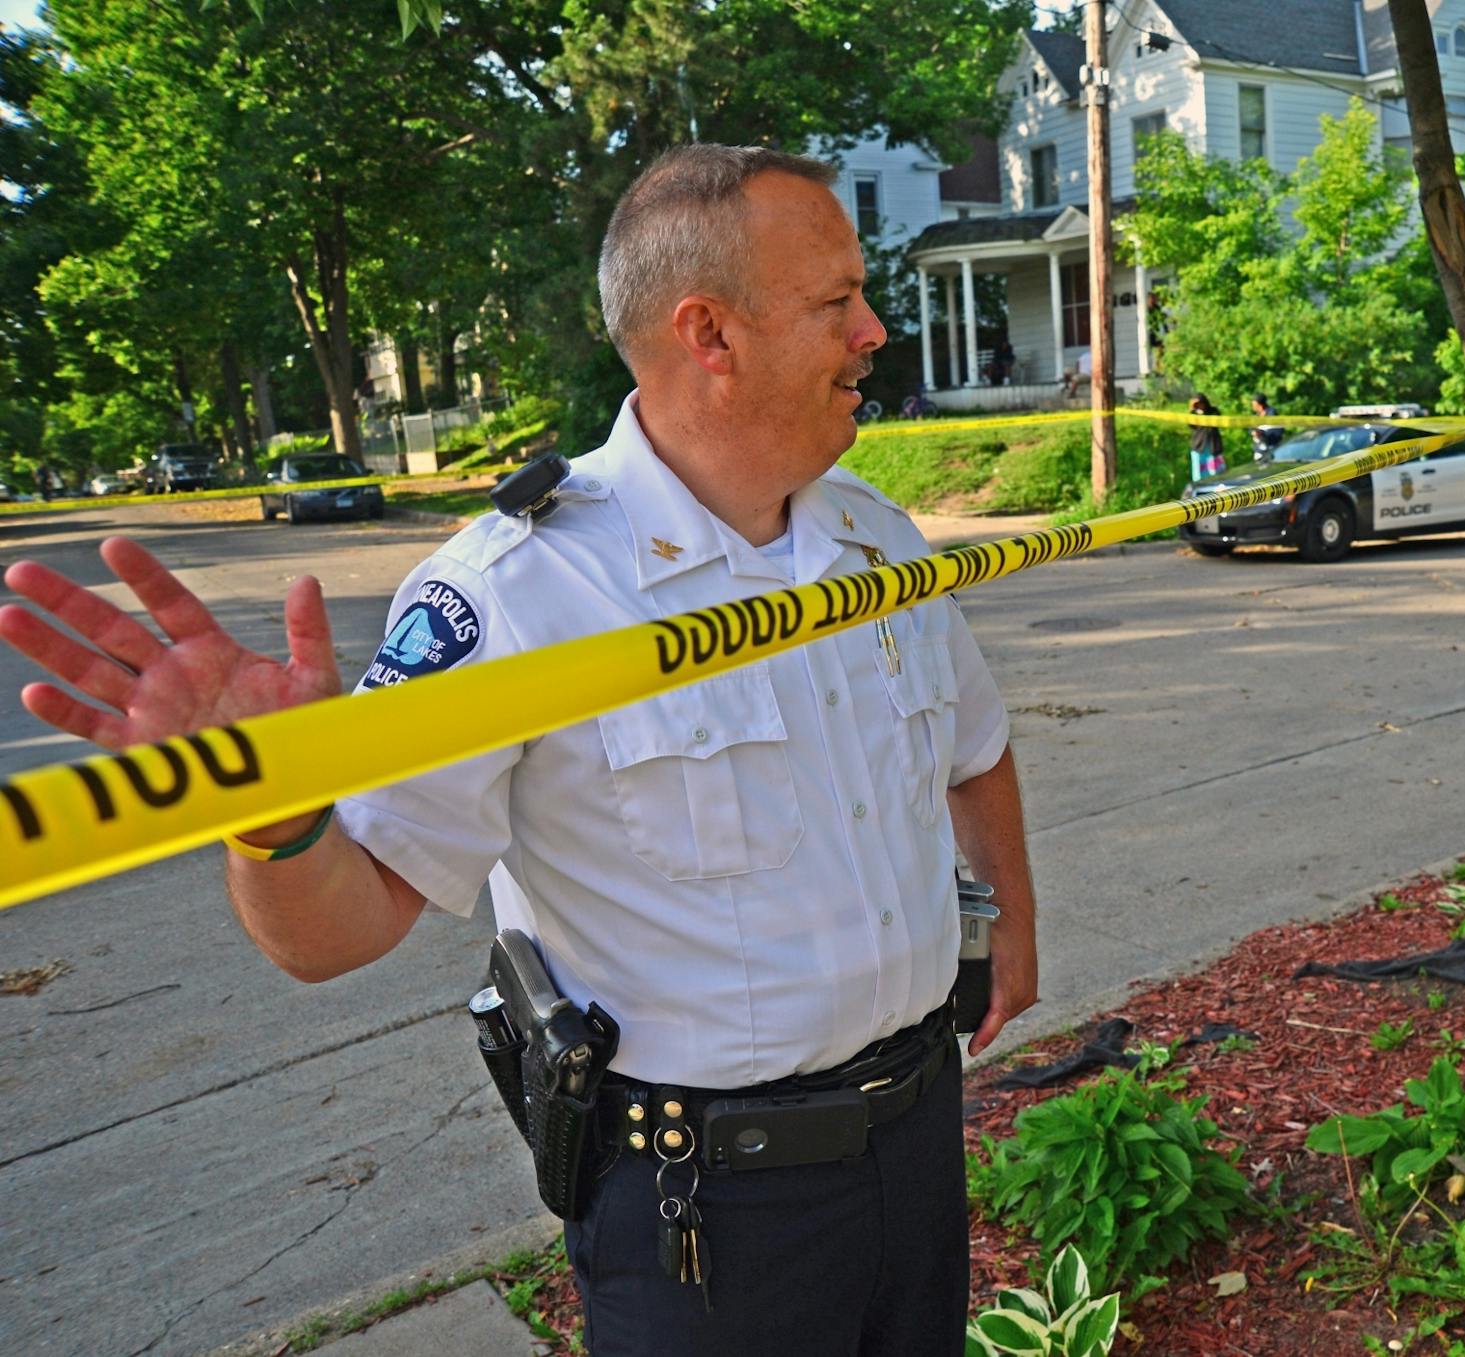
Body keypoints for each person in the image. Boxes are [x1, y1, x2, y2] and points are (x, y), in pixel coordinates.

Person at [0, 145, 1040, 1356]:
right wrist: (274, 810)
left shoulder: (878, 537)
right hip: (707, 1211)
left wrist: (1009, 918)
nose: (873, 331)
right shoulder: (516, 596)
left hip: (919, 1143)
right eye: (834, 303)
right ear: (710, 336)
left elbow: (975, 742)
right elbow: (337, 931)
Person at [1187, 394, 1225, 480]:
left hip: (1213, 446)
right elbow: (1191, 425)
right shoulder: (1193, 414)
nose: (1199, 406)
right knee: (1199, 474)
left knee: (1216, 472)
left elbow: (1219, 418)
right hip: (1199, 447)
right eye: (1197, 404)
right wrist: (1192, 409)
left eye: (1200, 403)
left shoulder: (1213, 411)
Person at [1247, 394, 1282, 459]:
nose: (1253, 407)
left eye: (1254, 405)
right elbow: (1250, 429)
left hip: (1272, 447)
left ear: (1260, 405)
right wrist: (1254, 432)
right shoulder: (1255, 416)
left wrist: (1262, 433)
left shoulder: (1272, 413)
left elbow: (1277, 431)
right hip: (1259, 450)